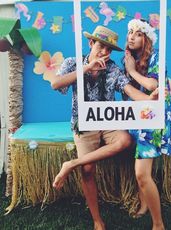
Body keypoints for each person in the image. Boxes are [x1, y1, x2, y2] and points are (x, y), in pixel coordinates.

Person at [51, 25, 158, 230]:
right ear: (91, 43)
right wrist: (86, 68)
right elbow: (55, 84)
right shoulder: (73, 62)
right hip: (83, 124)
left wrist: (149, 99)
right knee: (88, 169)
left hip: (108, 123)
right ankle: (97, 220)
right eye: (101, 47)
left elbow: (130, 91)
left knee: (125, 140)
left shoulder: (113, 69)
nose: (104, 53)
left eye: (109, 50)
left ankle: (71, 164)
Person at [123, 19, 171, 230]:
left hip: (153, 117)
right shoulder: (129, 58)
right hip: (138, 116)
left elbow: (152, 84)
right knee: (142, 164)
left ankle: (158, 224)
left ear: (146, 39)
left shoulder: (157, 56)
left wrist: (131, 71)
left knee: (141, 172)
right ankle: (144, 204)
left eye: (138, 33)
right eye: (130, 32)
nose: (131, 36)